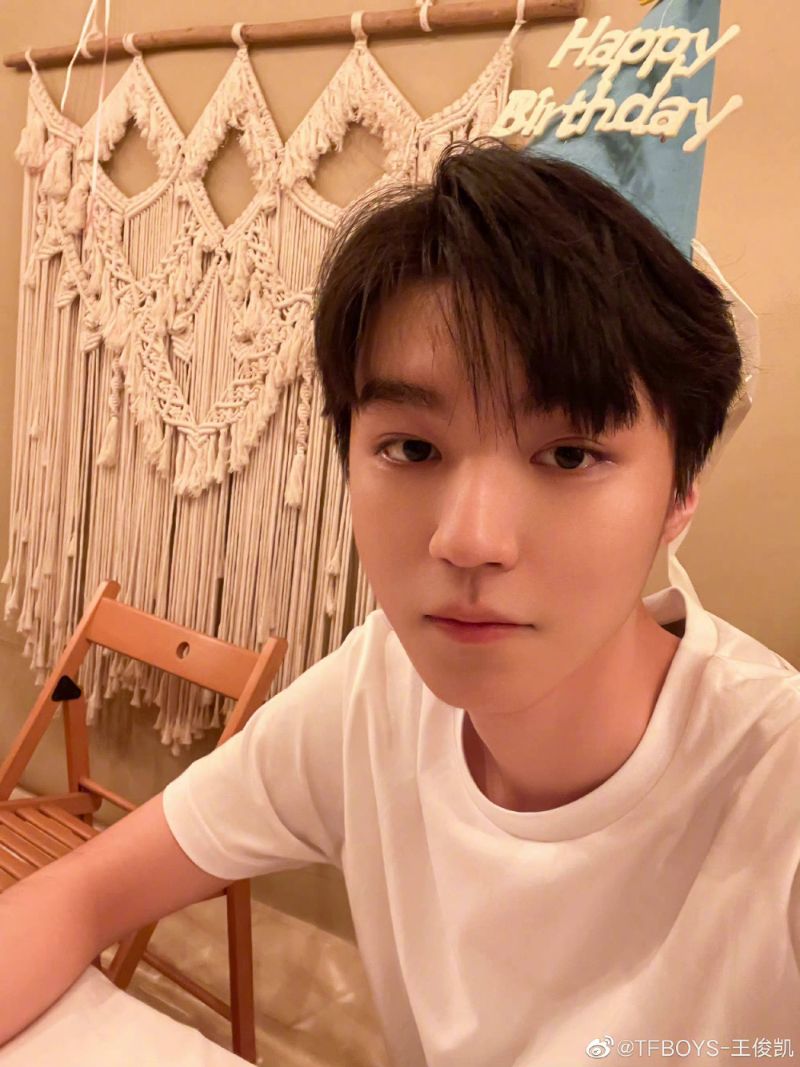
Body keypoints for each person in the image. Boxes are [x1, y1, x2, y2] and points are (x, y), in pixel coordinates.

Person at [2, 139, 799, 1064]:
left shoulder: (774, 787)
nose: (468, 538)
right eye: (413, 449)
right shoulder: (378, 688)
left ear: (680, 492)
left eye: (570, 454)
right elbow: (86, 890)